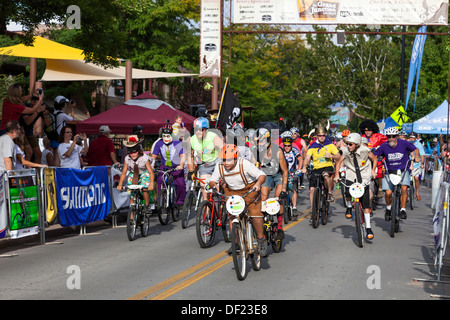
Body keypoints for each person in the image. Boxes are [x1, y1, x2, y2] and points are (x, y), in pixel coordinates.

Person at [208, 144, 267, 256]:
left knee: (256, 215)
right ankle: (237, 243)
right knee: (232, 217)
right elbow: (212, 180)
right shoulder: (219, 166)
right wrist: (214, 185)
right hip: (231, 192)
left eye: (229, 160)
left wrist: (258, 184)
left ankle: (261, 239)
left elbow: (261, 175)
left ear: (235, 158)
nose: (226, 162)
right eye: (224, 159)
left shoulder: (244, 164)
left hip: (249, 190)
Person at [334, 133, 378, 239]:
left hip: (364, 176)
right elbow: (339, 162)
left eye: (350, 144)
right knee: (347, 191)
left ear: (357, 144)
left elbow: (375, 159)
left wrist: (372, 171)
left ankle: (368, 227)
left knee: (366, 204)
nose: (348, 146)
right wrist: (336, 175)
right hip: (352, 174)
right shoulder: (345, 151)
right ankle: (349, 206)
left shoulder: (365, 150)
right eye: (347, 144)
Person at [373, 127, 419, 220]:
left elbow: (415, 149)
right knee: (388, 193)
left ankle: (403, 209)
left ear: (397, 136)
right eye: (389, 137)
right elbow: (375, 155)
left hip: (403, 170)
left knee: (404, 188)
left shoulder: (404, 143)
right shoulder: (384, 146)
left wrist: (416, 157)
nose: (391, 138)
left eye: (393, 136)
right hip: (389, 172)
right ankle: (388, 208)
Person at [255, 127, 289, 240]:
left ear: (268, 140)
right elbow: (253, 169)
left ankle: (280, 227)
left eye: (262, 141)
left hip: (278, 174)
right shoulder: (256, 151)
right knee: (263, 199)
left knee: (278, 199)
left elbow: (285, 171)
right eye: (258, 141)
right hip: (266, 175)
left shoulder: (278, 151)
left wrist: (284, 189)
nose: (260, 143)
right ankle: (264, 221)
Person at [301, 125, 340, 207]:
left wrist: (331, 156)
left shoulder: (330, 144)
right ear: (317, 136)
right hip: (316, 168)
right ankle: (313, 211)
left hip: (327, 166)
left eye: (323, 135)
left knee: (326, 175)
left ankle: (329, 193)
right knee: (311, 190)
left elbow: (339, 156)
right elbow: (307, 157)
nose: (322, 137)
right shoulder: (313, 146)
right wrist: (304, 167)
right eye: (320, 136)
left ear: (325, 135)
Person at [188, 117, 223, 201]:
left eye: (201, 129)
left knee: (221, 185)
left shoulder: (213, 137)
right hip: (204, 165)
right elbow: (190, 156)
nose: (198, 132)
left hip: (217, 162)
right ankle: (206, 211)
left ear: (206, 130)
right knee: (204, 187)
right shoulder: (192, 140)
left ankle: (221, 200)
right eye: (196, 129)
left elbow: (224, 149)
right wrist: (191, 171)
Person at [117, 135, 155, 213]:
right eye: (131, 153)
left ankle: (147, 205)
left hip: (144, 173)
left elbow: (150, 172)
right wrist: (120, 184)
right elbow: (124, 172)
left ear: (138, 151)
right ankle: (131, 218)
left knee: (145, 188)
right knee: (132, 192)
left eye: (135, 152)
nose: (133, 155)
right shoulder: (127, 158)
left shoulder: (144, 158)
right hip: (133, 174)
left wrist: (151, 184)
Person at [152, 124, 186, 207]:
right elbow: (153, 156)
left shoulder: (177, 143)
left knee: (180, 183)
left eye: (168, 136)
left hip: (176, 165)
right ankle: (161, 200)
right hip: (164, 165)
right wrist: (152, 165)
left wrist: (181, 165)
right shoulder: (159, 143)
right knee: (160, 180)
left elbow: (183, 156)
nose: (166, 138)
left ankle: (179, 201)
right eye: (164, 136)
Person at [281, 132, 302, 217]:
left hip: (292, 172)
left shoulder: (294, 150)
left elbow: (300, 159)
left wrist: (299, 169)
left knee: (293, 189)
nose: (287, 147)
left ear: (291, 145)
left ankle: (294, 207)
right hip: (282, 172)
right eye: (285, 146)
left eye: (288, 146)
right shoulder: (280, 151)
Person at [407, 132, 425, 201]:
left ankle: (417, 192)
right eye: (411, 138)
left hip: (416, 164)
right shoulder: (406, 143)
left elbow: (422, 155)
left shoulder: (418, 144)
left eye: (413, 138)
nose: (412, 139)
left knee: (416, 178)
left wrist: (422, 163)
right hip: (407, 164)